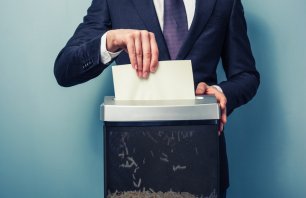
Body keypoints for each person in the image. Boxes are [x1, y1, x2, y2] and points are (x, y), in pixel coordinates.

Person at [54, 0, 260, 197]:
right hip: (133, 172)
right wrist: (110, 40)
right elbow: (65, 69)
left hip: (203, 167)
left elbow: (247, 75)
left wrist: (221, 92)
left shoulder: (225, 2)